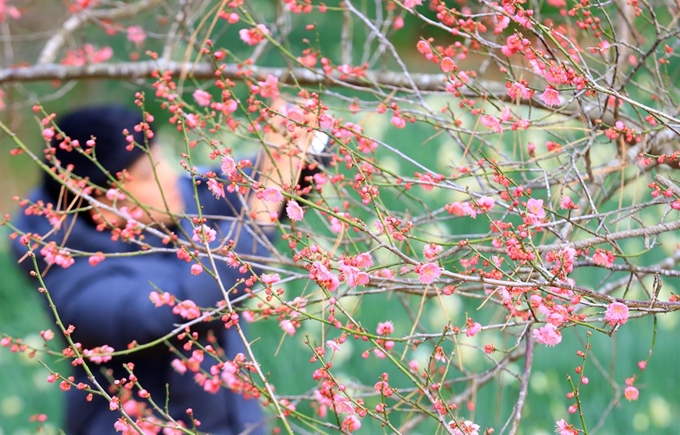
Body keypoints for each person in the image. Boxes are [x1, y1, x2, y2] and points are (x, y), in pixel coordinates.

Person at [11, 104, 325, 434]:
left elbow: (248, 187)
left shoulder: (164, 206)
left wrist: (302, 139)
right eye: (147, 175)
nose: (168, 177)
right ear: (105, 209)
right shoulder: (74, 286)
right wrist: (266, 203)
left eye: (160, 160)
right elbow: (190, 305)